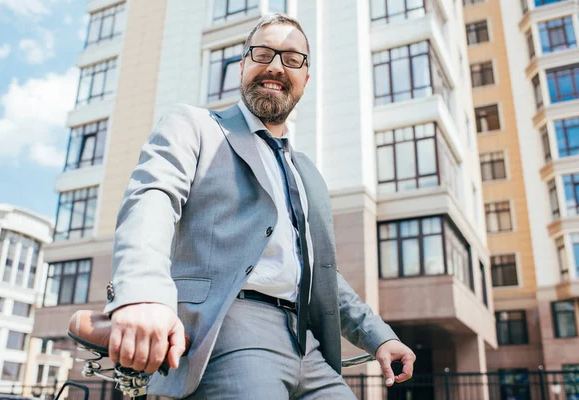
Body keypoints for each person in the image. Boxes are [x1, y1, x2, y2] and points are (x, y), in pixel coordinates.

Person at [103, 13, 416, 399]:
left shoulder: (307, 173)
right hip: (228, 328)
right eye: (263, 53)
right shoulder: (195, 126)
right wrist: (144, 293)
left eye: (292, 58)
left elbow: (322, 274)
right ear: (242, 66)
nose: (276, 67)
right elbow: (151, 199)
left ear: (306, 78)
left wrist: (378, 337)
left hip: (307, 343)